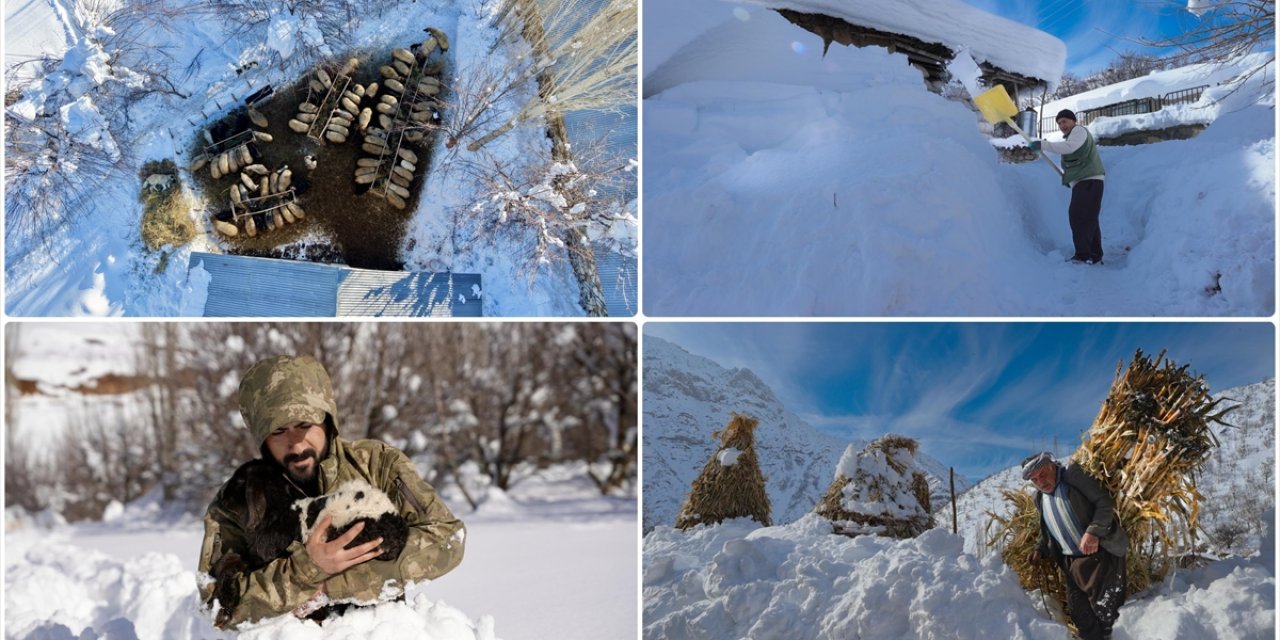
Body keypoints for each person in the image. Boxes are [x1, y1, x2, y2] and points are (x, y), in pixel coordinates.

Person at [197, 355, 465, 628]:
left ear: (327, 421)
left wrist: (332, 585)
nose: (297, 445)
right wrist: (303, 571)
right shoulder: (239, 499)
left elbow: (447, 537)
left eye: (305, 425)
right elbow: (216, 607)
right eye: (278, 431)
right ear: (262, 437)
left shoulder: (376, 464)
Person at [1021, 451, 1128, 640]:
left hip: (1100, 554)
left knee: (1107, 615)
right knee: (1080, 615)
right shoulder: (1039, 498)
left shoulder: (1073, 476)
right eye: (1035, 480)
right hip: (1070, 563)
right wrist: (1039, 549)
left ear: (1052, 466)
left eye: (1042, 474)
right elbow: (1049, 530)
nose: (1040, 482)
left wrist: (1093, 532)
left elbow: (1104, 503)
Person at [1030, 109, 1106, 264]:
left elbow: (1069, 148)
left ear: (1073, 121)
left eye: (1064, 121)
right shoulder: (1072, 137)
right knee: (1088, 218)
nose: (1061, 125)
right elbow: (1074, 161)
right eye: (1059, 123)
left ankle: (1084, 254)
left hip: (1089, 180)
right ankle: (1094, 254)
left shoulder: (1079, 131)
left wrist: (1043, 144)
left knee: (1078, 216)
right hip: (1086, 181)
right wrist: (1071, 180)